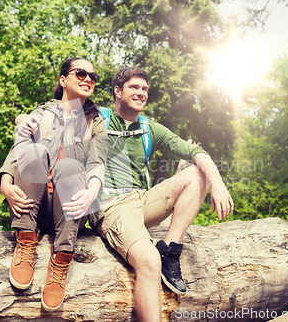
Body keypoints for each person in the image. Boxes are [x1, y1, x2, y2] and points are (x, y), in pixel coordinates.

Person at [17, 66, 233, 322]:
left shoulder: (149, 128)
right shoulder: (97, 117)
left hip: (142, 200)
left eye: (145, 89)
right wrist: (22, 118)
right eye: (134, 87)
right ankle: (156, 259)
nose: (141, 93)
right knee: (148, 262)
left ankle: (169, 248)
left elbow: (196, 153)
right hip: (110, 205)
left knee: (197, 175)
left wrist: (217, 183)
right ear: (117, 91)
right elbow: (53, 113)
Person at [0, 57, 107, 311]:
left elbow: (97, 161)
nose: (88, 79)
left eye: (93, 76)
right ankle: (25, 241)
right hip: (32, 205)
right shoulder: (41, 114)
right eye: (81, 73)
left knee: (70, 166)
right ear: (63, 79)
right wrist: (5, 182)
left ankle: (61, 258)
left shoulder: (96, 122)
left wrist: (92, 192)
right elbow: (19, 149)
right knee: (34, 150)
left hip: (69, 210)